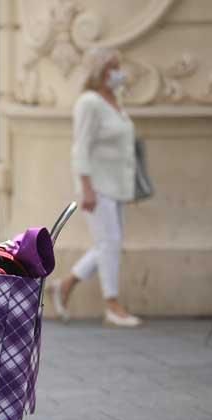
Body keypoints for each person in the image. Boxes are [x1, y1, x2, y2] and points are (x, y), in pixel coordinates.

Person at [50, 47, 142, 328]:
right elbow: (81, 148)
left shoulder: (115, 100)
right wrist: (86, 188)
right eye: (113, 66)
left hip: (117, 186)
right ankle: (112, 305)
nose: (119, 72)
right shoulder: (89, 102)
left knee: (108, 245)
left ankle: (64, 286)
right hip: (97, 186)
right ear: (100, 71)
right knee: (109, 244)